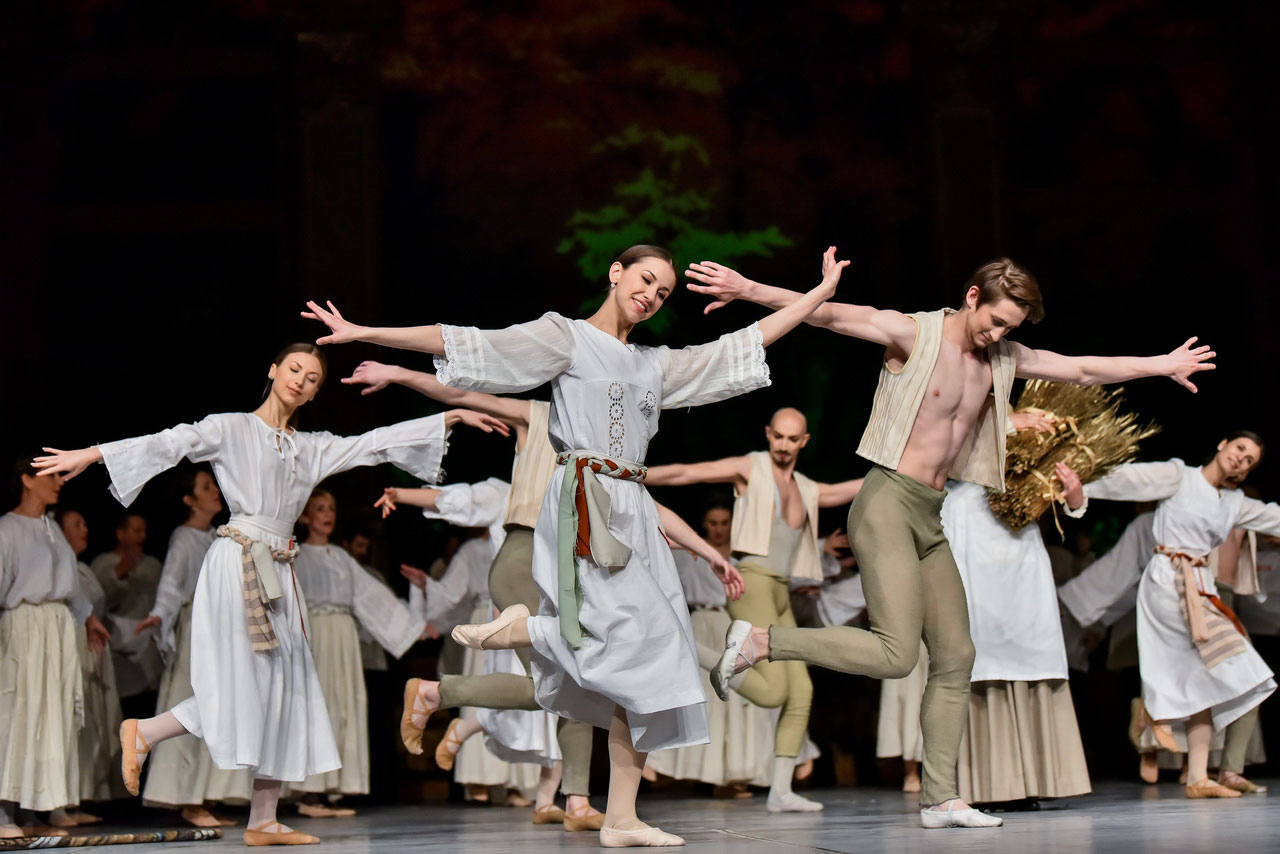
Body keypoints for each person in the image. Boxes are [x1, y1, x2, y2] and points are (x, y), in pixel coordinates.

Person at [304, 243, 844, 846]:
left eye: (663, 292)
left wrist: (817, 296)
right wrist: (364, 332)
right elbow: (472, 343)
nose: (651, 295)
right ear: (616, 273)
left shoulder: (655, 365)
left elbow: (738, 347)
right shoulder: (567, 338)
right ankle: (528, 632)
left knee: (654, 655)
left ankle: (621, 816)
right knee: (632, 640)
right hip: (585, 500)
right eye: (645, 280)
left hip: (632, 505)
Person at [690, 254, 1215, 828]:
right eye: (995, 321)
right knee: (895, 653)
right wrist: (747, 288)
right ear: (972, 297)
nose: (999, 334)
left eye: (1010, 328)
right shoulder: (913, 334)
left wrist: (1162, 364)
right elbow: (831, 316)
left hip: (929, 514)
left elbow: (1083, 369)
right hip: (886, 503)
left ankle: (940, 798)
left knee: (957, 655)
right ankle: (761, 641)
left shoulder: (1003, 358)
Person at [33, 343, 506, 846]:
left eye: (312, 378)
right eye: (295, 369)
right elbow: (171, 441)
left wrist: (450, 417)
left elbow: (371, 443)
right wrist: (95, 454)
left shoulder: (309, 447)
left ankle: (261, 817)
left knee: (286, 684)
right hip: (238, 562)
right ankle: (147, 733)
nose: (301, 380)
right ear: (274, 370)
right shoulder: (232, 428)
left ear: (315, 393)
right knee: (244, 682)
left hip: (280, 569)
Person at [345, 361, 605, 829]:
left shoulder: (596, 443)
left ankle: (573, 801)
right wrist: (399, 374)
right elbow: (463, 401)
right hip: (524, 570)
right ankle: (574, 800)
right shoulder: (536, 419)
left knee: (564, 687)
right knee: (564, 684)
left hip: (557, 575)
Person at [643, 408, 863, 812]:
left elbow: (847, 490)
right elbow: (688, 472)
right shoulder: (751, 468)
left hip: (780, 592)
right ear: (768, 433)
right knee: (775, 690)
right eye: (778, 436)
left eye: (792, 439)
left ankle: (780, 792)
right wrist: (633, 475)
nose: (783, 446)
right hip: (752, 584)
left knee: (801, 691)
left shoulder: (807, 488)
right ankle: (696, 651)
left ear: (804, 442)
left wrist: (899, 474)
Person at [1062, 432, 1279, 798]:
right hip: (1167, 583)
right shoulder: (1180, 477)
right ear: (1223, 443)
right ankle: (1155, 716)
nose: (1241, 459)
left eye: (1249, 461)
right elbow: (1126, 480)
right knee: (1215, 670)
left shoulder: (1234, 503)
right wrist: (1079, 486)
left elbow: (1274, 517)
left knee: (1205, 680)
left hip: (1200, 588)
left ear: (1245, 473)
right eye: (1240, 449)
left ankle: (1196, 776)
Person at [943, 410, 1091, 806]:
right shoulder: (964, 413)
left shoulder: (1033, 421)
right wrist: (1010, 424)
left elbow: (1064, 499)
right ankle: (988, 785)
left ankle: (1038, 780)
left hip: (1020, 550)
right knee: (980, 662)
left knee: (1031, 658)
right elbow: (944, 454)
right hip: (968, 537)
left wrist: (1074, 496)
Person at [287, 489, 431, 815]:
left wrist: (412, 626)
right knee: (318, 705)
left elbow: (370, 596)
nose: (328, 514)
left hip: (344, 637)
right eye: (320, 508)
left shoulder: (341, 557)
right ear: (305, 516)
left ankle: (330, 789)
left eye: (331, 508)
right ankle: (308, 792)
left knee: (344, 706)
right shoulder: (297, 555)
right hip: (315, 636)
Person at [0, 457, 111, 839]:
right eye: (51, 476)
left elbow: (71, 585)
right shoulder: (7, 528)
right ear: (27, 480)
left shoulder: (52, 529)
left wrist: (89, 619)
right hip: (24, 625)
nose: (60, 483)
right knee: (19, 712)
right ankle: (4, 811)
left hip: (57, 627)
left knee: (51, 716)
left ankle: (34, 811)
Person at [135, 468, 251, 826]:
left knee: (219, 712)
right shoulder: (184, 537)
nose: (215, 490)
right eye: (205, 487)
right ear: (190, 500)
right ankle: (186, 797)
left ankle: (205, 795)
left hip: (224, 631)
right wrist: (159, 613)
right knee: (191, 704)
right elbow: (172, 582)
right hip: (198, 631)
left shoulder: (222, 536)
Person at [54, 508, 123, 826]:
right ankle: (61, 803)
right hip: (72, 647)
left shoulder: (82, 568)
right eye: (76, 524)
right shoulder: (60, 564)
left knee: (93, 724)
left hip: (93, 650)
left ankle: (78, 796)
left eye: (85, 523)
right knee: (74, 721)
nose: (85, 529)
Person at [91, 512, 165, 713]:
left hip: (150, 657)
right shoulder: (103, 563)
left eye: (144, 531)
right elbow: (98, 602)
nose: (142, 536)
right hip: (121, 657)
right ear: (120, 534)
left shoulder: (152, 565)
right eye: (136, 531)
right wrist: (122, 570)